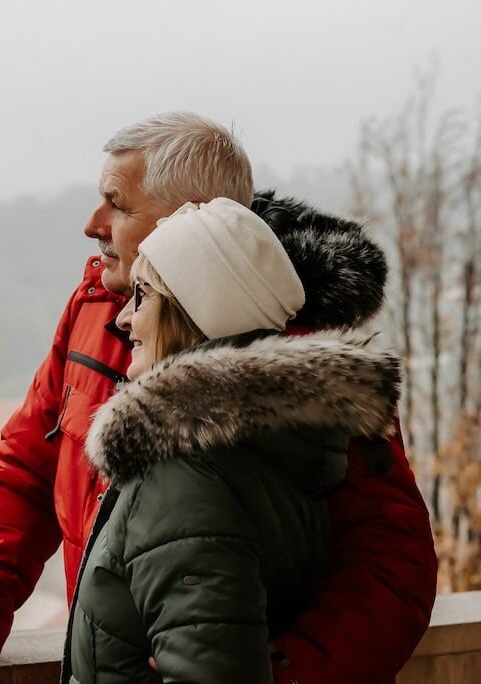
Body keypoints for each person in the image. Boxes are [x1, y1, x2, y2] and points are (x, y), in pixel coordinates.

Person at [0, 112, 437, 684]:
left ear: (192, 218)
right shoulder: (93, 310)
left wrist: (286, 674)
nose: (92, 224)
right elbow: (27, 470)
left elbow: (389, 560)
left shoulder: (307, 358)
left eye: (118, 204)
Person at [66, 197, 401, 683]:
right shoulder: (266, 445)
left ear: (189, 310)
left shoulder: (183, 473)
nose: (123, 319)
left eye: (142, 296)